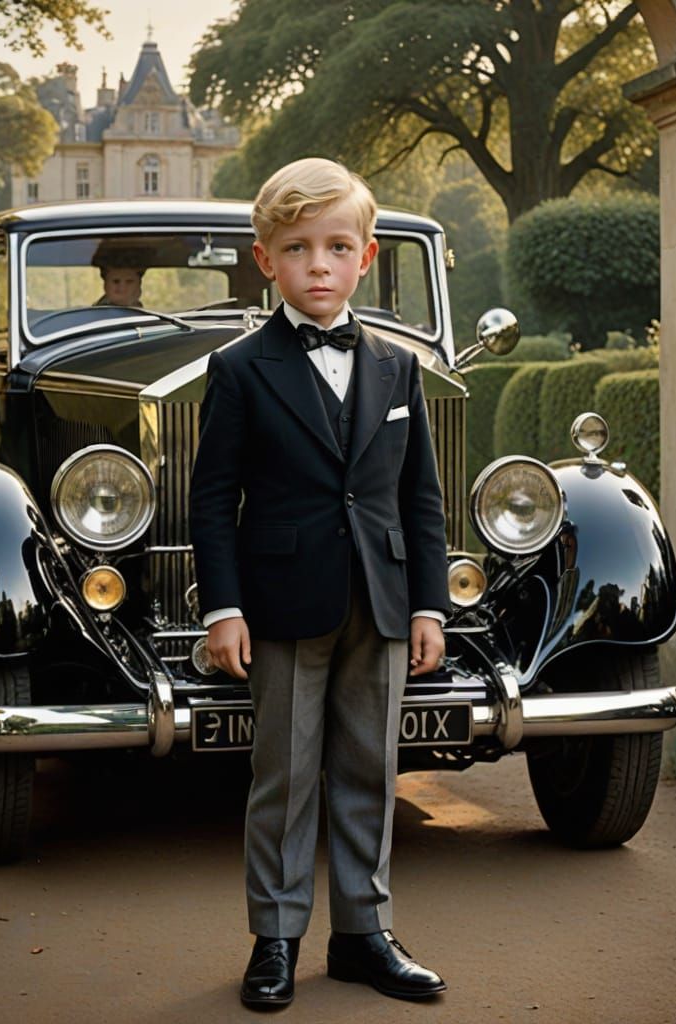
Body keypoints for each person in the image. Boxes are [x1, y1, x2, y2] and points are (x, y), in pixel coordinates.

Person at [189, 157, 451, 1009]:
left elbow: (420, 496)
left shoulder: (399, 367)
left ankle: (364, 936)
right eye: (298, 249)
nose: (319, 266)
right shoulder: (239, 369)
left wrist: (429, 604)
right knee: (287, 776)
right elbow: (211, 498)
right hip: (280, 604)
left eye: (338, 247)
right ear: (265, 260)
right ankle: (275, 939)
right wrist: (224, 608)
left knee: (372, 770)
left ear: (366, 257)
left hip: (381, 601)